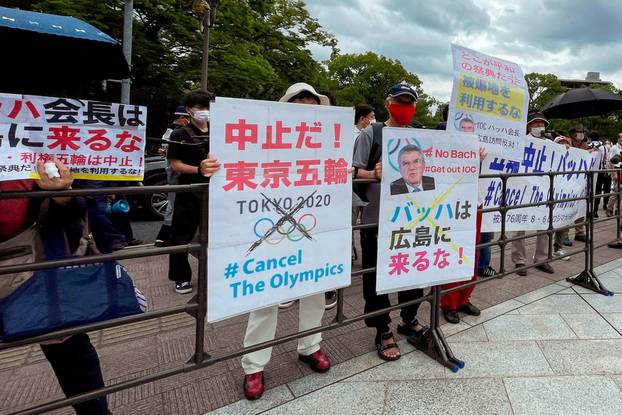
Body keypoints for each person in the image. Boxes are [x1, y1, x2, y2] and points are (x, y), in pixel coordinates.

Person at [241, 83, 332, 401]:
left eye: (312, 106)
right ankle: (254, 365)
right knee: (264, 296)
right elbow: (240, 171)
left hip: (313, 228)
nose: (306, 112)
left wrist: (353, 172)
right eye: (299, 105)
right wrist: (210, 168)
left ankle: (310, 346)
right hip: (272, 231)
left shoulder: (326, 145)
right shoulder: (265, 142)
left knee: (315, 290)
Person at [0, 160, 110, 415]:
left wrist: (61, 196)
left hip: (42, 275)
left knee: (72, 356)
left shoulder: (35, 148)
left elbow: (76, 210)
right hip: (38, 276)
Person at [352, 81, 427, 361]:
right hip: (377, 219)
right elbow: (352, 171)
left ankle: (409, 317)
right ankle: (382, 328)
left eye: (410, 103)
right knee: (375, 276)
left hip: (412, 219)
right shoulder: (372, 133)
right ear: (387, 104)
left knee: (414, 270)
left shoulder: (420, 136)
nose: (405, 108)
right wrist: (373, 174)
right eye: (400, 101)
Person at [166, 90, 213, 294]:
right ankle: (181, 276)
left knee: (216, 235)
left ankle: (215, 274)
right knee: (181, 234)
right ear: (189, 110)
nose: (205, 112)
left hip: (217, 191)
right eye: (200, 108)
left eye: (208, 107)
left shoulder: (220, 130)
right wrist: (198, 170)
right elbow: (175, 165)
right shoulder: (179, 134)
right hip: (189, 190)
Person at [511, 112, 555, 276]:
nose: (538, 127)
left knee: (544, 224)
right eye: (535, 124)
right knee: (519, 226)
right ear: (529, 126)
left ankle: (542, 259)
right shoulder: (520, 142)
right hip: (523, 189)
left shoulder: (551, 144)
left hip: (544, 189)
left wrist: (565, 150)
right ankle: (519, 261)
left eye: (541, 124)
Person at [155, 106, 191, 247]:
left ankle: (165, 236)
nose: (188, 121)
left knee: (174, 204)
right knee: (175, 204)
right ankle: (165, 236)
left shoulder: (169, 131)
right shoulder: (176, 133)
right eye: (187, 118)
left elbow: (164, 151)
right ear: (182, 118)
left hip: (173, 171)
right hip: (177, 173)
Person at [569, 124, 588, 243]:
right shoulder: (566, 141)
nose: (581, 134)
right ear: (572, 133)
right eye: (578, 132)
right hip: (567, 181)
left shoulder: (584, 145)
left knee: (581, 206)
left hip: (580, 181)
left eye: (582, 132)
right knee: (566, 207)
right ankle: (564, 235)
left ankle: (579, 232)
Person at [591, 134, 611, 218]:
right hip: (600, 171)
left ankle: (589, 211)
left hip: (590, 171)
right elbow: (606, 160)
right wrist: (607, 171)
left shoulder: (588, 145)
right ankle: (595, 211)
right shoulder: (604, 147)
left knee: (590, 191)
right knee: (598, 191)